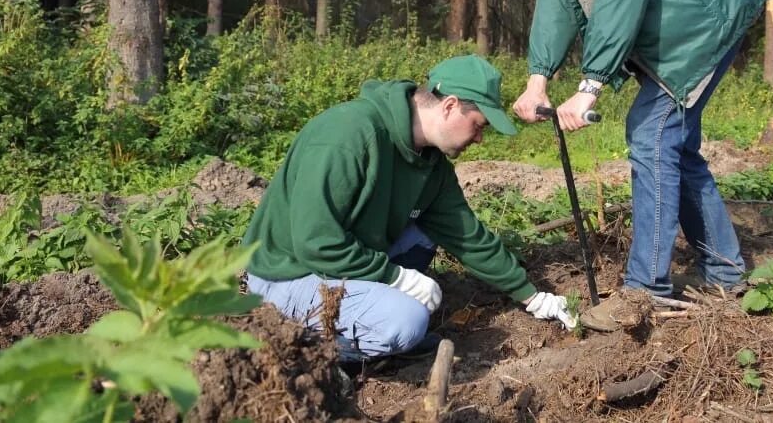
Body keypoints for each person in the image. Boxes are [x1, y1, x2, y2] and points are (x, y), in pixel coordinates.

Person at [493, 0, 770, 327]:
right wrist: (538, 76)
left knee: (651, 132)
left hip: (706, 13)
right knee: (675, 144)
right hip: (672, 24)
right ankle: (727, 270)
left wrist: (590, 84)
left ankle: (646, 289)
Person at [242, 54, 576, 361]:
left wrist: (532, 296)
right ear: (450, 106)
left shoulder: (431, 163)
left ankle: (375, 324)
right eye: (479, 125)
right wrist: (396, 277)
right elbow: (316, 243)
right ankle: (303, 354)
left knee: (424, 235)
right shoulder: (347, 136)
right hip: (288, 274)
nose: (479, 139)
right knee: (407, 321)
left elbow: (465, 234)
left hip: (341, 259)